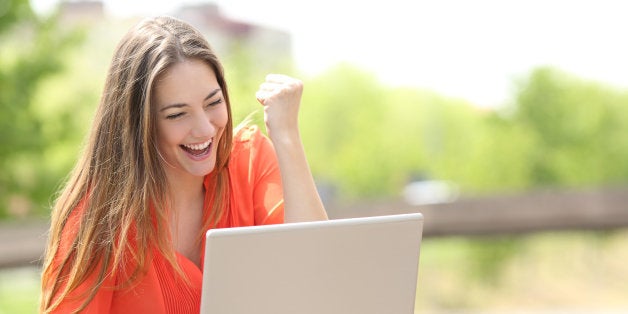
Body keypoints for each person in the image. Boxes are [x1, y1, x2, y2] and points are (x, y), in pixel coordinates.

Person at [40, 16, 328, 313]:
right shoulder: (95, 220)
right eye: (178, 114)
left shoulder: (249, 160)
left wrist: (286, 136)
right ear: (140, 126)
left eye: (213, 102)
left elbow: (318, 273)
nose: (204, 129)